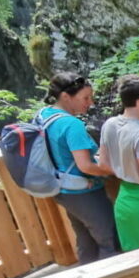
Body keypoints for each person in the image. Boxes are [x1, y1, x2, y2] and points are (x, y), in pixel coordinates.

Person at [39, 72, 118, 264]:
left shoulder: (45, 115)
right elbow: (86, 165)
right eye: (85, 98)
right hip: (85, 192)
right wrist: (113, 170)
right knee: (110, 241)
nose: (90, 103)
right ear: (66, 96)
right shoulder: (71, 124)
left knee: (86, 241)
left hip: (64, 191)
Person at [99, 75, 139, 252]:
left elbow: (104, 164)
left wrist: (126, 170)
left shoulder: (110, 124)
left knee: (135, 257)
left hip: (124, 199)